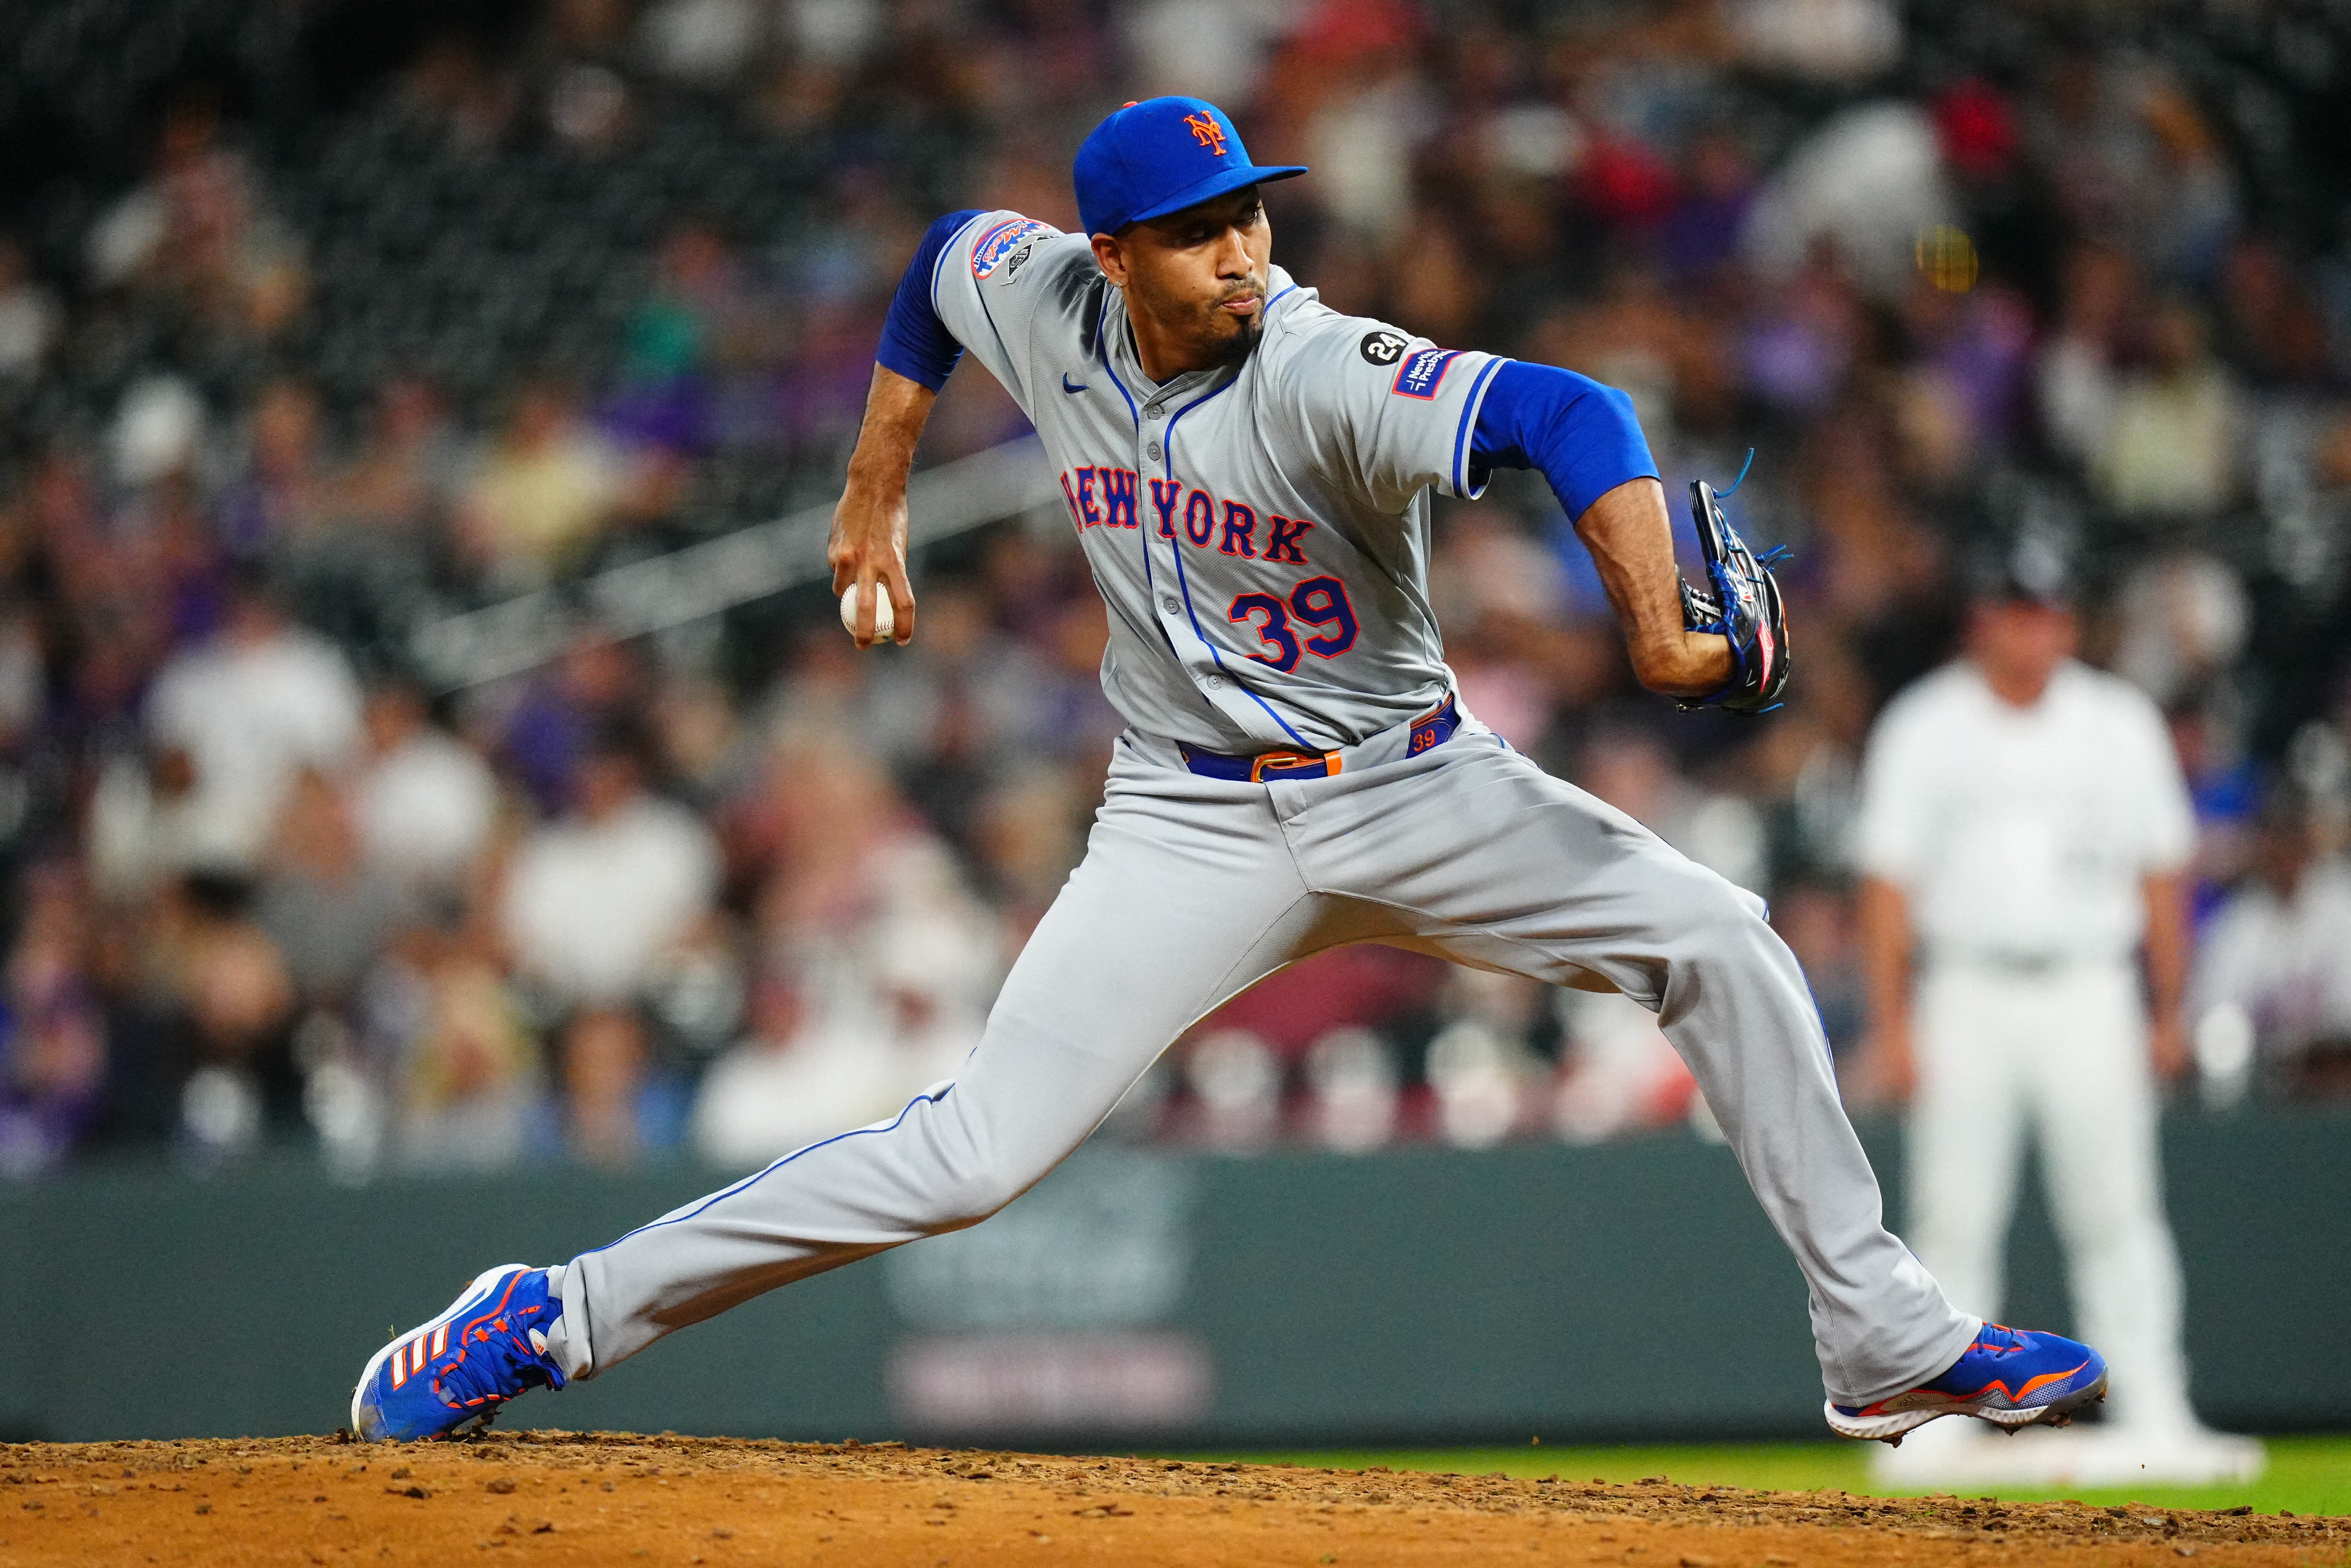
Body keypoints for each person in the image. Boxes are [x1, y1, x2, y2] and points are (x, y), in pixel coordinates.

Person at [352, 97, 2106, 1446]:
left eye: (1250, 215)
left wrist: (1654, 622)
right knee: (971, 1154)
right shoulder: (1039, 293)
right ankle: (547, 1316)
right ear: (1109, 256)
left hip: (1415, 789)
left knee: (1719, 935)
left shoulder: (1325, 366)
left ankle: (1882, 1343)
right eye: (1195, 235)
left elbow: (1571, 414)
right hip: (1185, 816)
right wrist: (878, 468)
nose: (1242, 254)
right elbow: (941, 260)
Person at [1853, 537, 2261, 1486]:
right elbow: (1886, 888)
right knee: (1954, 1214)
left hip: (2089, 985)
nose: (2031, 628)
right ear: (1980, 620)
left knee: (2117, 1211)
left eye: (2045, 610)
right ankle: (1938, 1422)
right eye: (2013, 609)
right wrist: (1895, 1021)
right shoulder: (1924, 726)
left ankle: (2157, 1411)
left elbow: (2164, 873)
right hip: (1964, 985)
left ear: (2068, 621)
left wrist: (2168, 1009)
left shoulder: (2117, 722)